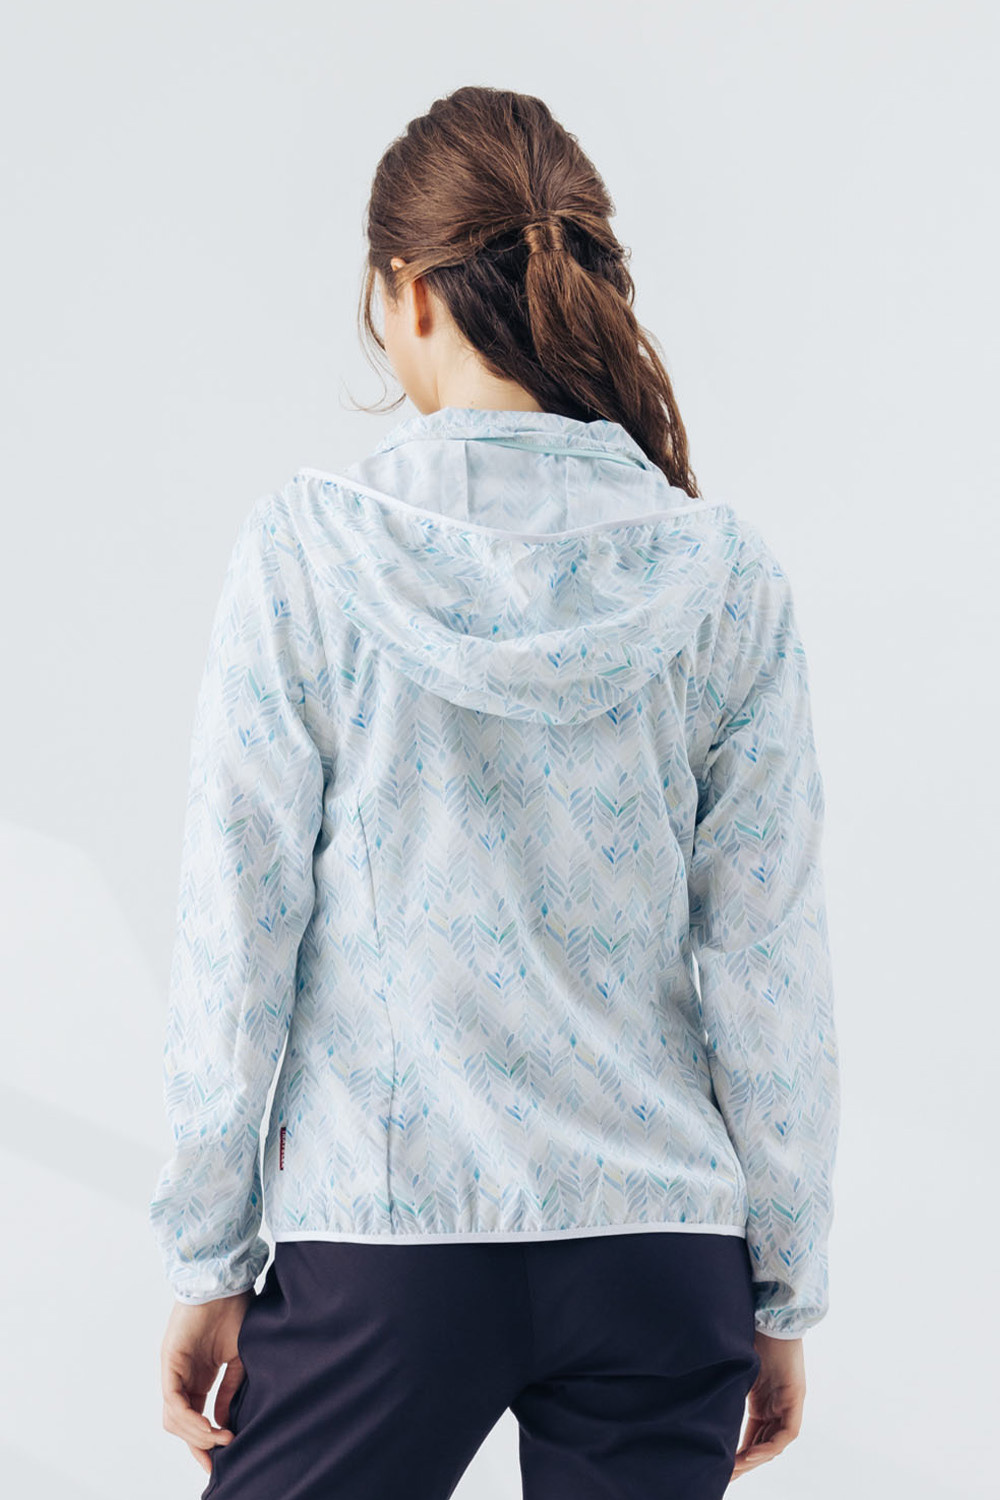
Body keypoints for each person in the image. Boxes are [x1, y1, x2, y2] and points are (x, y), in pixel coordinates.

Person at [150, 85, 840, 1499]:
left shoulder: (306, 557)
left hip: (384, 1242)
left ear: (406, 293)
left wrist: (207, 1259)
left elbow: (238, 929)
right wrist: (781, 1285)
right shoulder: (726, 578)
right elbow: (770, 964)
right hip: (661, 1255)